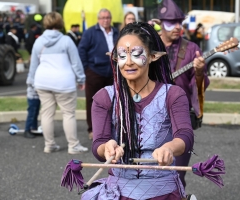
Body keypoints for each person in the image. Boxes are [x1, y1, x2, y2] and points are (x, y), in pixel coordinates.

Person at [84, 22, 195, 200]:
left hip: (163, 192)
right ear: (115, 58)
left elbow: (185, 136)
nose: (128, 62)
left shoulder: (173, 94)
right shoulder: (104, 97)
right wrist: (107, 148)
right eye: (122, 55)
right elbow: (99, 144)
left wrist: (169, 147)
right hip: (119, 193)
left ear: (153, 56)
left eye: (136, 54)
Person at [157, 0, 209, 193]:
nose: (178, 27)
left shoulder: (191, 48)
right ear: (160, 23)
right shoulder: (147, 45)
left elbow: (200, 87)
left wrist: (199, 72)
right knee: (148, 172)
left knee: (176, 173)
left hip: (180, 119)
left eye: (180, 22)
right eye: (172, 22)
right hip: (150, 118)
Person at [26, 12, 88, 154]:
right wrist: (81, 79)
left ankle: (49, 145)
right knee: (68, 114)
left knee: (47, 114)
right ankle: (73, 145)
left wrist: (30, 82)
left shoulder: (39, 41)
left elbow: (33, 65)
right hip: (64, 83)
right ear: (60, 23)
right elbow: (76, 63)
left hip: (42, 82)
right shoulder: (66, 40)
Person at [78, 8, 119, 140]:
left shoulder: (116, 32)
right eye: (103, 18)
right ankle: (92, 129)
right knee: (92, 101)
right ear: (98, 19)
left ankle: (111, 128)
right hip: (94, 72)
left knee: (112, 101)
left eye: (108, 18)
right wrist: (86, 69)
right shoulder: (90, 32)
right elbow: (81, 50)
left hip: (113, 72)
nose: (106, 20)